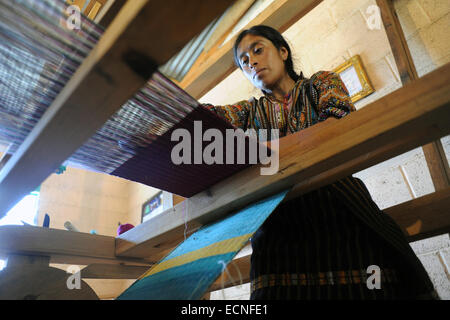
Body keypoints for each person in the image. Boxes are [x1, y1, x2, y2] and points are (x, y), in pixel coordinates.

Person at [203, 25, 437, 300]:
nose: (251, 61)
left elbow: (341, 125)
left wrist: (263, 151)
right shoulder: (247, 112)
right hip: (280, 228)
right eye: (243, 61)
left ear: (283, 51)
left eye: (257, 50)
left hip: (342, 211)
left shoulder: (321, 84)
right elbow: (203, 121)